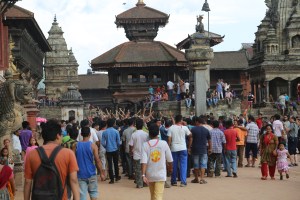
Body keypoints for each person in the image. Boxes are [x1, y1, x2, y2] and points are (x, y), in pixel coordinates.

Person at [24, 119, 80, 200]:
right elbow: (73, 180)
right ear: (58, 135)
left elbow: (27, 182)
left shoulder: (32, 154)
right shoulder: (68, 153)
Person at [141, 124, 173, 200]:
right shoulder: (164, 143)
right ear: (158, 133)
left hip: (150, 174)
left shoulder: (145, 145)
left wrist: (143, 175)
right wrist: (170, 169)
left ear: (149, 133)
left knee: (153, 195)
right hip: (160, 174)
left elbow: (144, 162)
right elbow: (170, 160)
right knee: (158, 196)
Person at [76, 127, 105, 200]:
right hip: (91, 173)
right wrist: (101, 173)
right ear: (90, 134)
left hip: (80, 174)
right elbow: (97, 160)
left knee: (82, 195)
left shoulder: (76, 145)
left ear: (81, 134)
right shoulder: (93, 146)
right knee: (93, 193)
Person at [168, 115, 192, 187]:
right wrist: (189, 147)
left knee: (174, 165)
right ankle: (183, 181)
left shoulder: (171, 128)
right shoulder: (185, 128)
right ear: (181, 120)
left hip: (174, 148)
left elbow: (169, 139)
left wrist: (168, 147)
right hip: (183, 147)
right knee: (183, 165)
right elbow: (190, 135)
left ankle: (173, 180)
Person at [189, 117, 211, 184]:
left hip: (195, 149)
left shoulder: (193, 129)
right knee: (203, 164)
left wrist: (189, 147)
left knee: (196, 164)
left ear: (197, 122)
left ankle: (196, 178)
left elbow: (191, 139)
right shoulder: (206, 130)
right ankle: (202, 179)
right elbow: (209, 140)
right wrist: (210, 148)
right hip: (203, 149)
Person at [129, 118, 149, 188]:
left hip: (136, 154)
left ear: (135, 125)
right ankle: (145, 183)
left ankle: (139, 184)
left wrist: (131, 152)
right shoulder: (146, 134)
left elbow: (131, 145)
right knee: (145, 169)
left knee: (137, 170)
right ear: (143, 125)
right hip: (145, 155)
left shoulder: (133, 134)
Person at [102, 118, 121, 184]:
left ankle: (111, 178)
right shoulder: (116, 131)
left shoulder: (105, 132)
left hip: (108, 149)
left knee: (110, 164)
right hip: (115, 149)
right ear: (113, 124)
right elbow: (118, 142)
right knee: (116, 163)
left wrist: (106, 146)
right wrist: (117, 146)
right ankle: (117, 176)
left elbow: (103, 142)